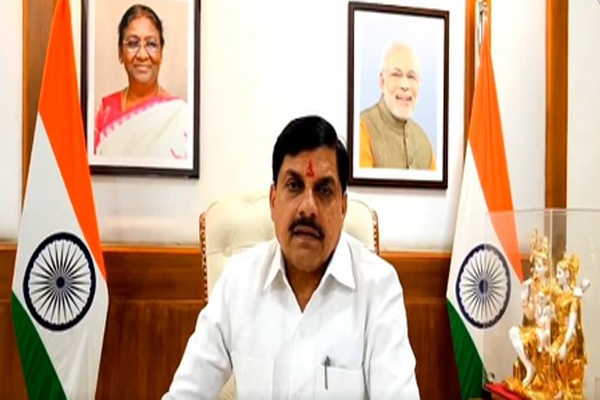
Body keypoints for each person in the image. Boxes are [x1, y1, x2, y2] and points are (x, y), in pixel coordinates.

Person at [163, 115, 420, 399]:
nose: (308, 208)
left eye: (324, 190)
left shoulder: (379, 288)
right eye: (294, 186)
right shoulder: (239, 280)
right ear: (273, 201)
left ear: (343, 207)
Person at [94, 4, 188, 159]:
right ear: (120, 52)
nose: (142, 55)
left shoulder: (179, 116)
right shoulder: (104, 112)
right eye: (133, 43)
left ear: (161, 53)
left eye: (151, 44)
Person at [359, 41, 435, 170]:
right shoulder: (363, 128)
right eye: (396, 75)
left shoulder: (424, 141)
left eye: (411, 76)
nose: (405, 86)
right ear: (382, 81)